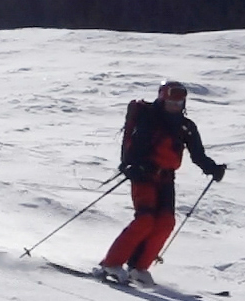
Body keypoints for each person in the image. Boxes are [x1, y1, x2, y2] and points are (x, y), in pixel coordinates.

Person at [96, 80, 225, 286]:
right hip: (144, 176)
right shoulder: (148, 119)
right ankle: (111, 263)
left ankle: (139, 268)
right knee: (145, 220)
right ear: (162, 99)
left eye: (179, 103)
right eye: (171, 102)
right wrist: (131, 165)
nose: (175, 106)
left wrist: (213, 169)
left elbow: (198, 155)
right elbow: (133, 146)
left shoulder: (186, 127)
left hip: (166, 179)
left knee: (166, 223)